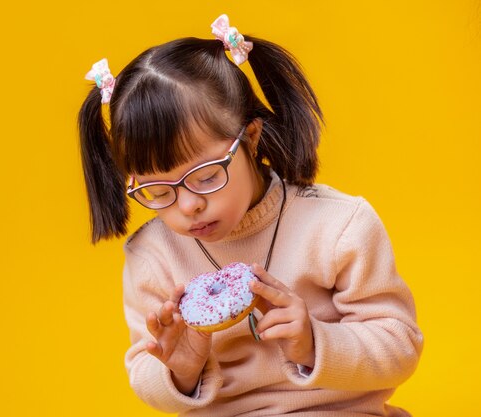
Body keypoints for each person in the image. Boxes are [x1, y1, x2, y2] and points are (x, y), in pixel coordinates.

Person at [78, 14, 423, 417]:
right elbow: (143, 369)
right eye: (158, 192)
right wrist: (180, 370)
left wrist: (315, 342)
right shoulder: (152, 254)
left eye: (206, 176)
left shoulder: (338, 226)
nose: (188, 206)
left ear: (251, 137)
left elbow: (400, 346)